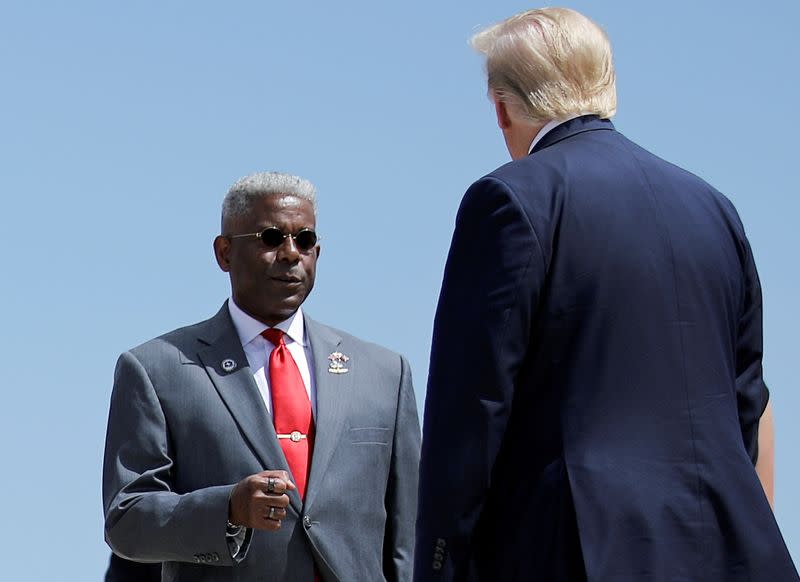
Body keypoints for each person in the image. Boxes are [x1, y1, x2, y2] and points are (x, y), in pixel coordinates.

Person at [414, 7, 796, 581]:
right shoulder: (714, 207)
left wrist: (440, 565)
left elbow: (469, 413)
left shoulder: (508, 200)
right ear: (608, 85)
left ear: (501, 107)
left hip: (577, 551)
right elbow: (746, 400)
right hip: (729, 551)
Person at [103, 171, 420, 581]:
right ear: (224, 253)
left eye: (304, 240)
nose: (291, 253)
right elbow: (127, 520)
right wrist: (228, 510)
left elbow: (409, 537)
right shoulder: (157, 369)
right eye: (271, 238)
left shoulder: (384, 374)